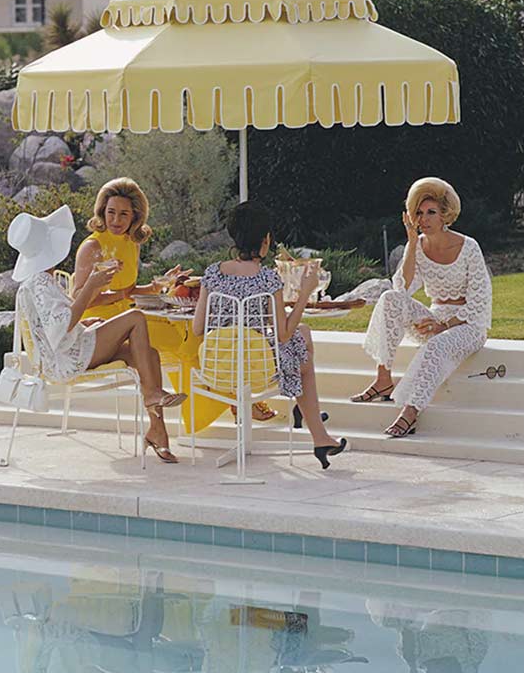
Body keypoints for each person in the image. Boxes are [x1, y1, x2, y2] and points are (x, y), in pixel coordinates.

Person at [8, 204, 186, 463]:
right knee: (136, 318)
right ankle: (152, 396)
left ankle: (157, 431)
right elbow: (60, 327)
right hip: (66, 359)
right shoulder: (40, 284)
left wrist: (86, 319)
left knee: (148, 354)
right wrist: (91, 286)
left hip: (70, 348)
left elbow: (56, 324)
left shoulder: (40, 281)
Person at [192, 201, 346, 469]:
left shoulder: (212, 273)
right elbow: (283, 334)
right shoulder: (267, 278)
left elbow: (197, 328)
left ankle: (308, 414)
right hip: (255, 368)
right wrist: (304, 293)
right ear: (265, 240)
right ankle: (316, 430)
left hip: (216, 367)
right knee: (301, 355)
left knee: (303, 336)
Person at [351, 177, 492, 438]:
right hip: (434, 318)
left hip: (467, 326)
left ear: (445, 215)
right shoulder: (417, 245)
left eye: (431, 213)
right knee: (389, 299)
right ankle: (383, 378)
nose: (424, 219)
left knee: (435, 345)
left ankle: (410, 411)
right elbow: (402, 289)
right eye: (419, 213)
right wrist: (412, 245)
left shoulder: (468, 247)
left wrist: (444, 325)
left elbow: (479, 303)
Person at [72, 177, 188, 319]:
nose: (116, 220)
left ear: (135, 216)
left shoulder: (132, 243)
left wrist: (157, 286)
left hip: (126, 319)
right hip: (94, 323)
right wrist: (119, 294)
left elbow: (130, 291)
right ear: (103, 211)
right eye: (111, 212)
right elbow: (77, 299)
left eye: (124, 214)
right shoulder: (92, 247)